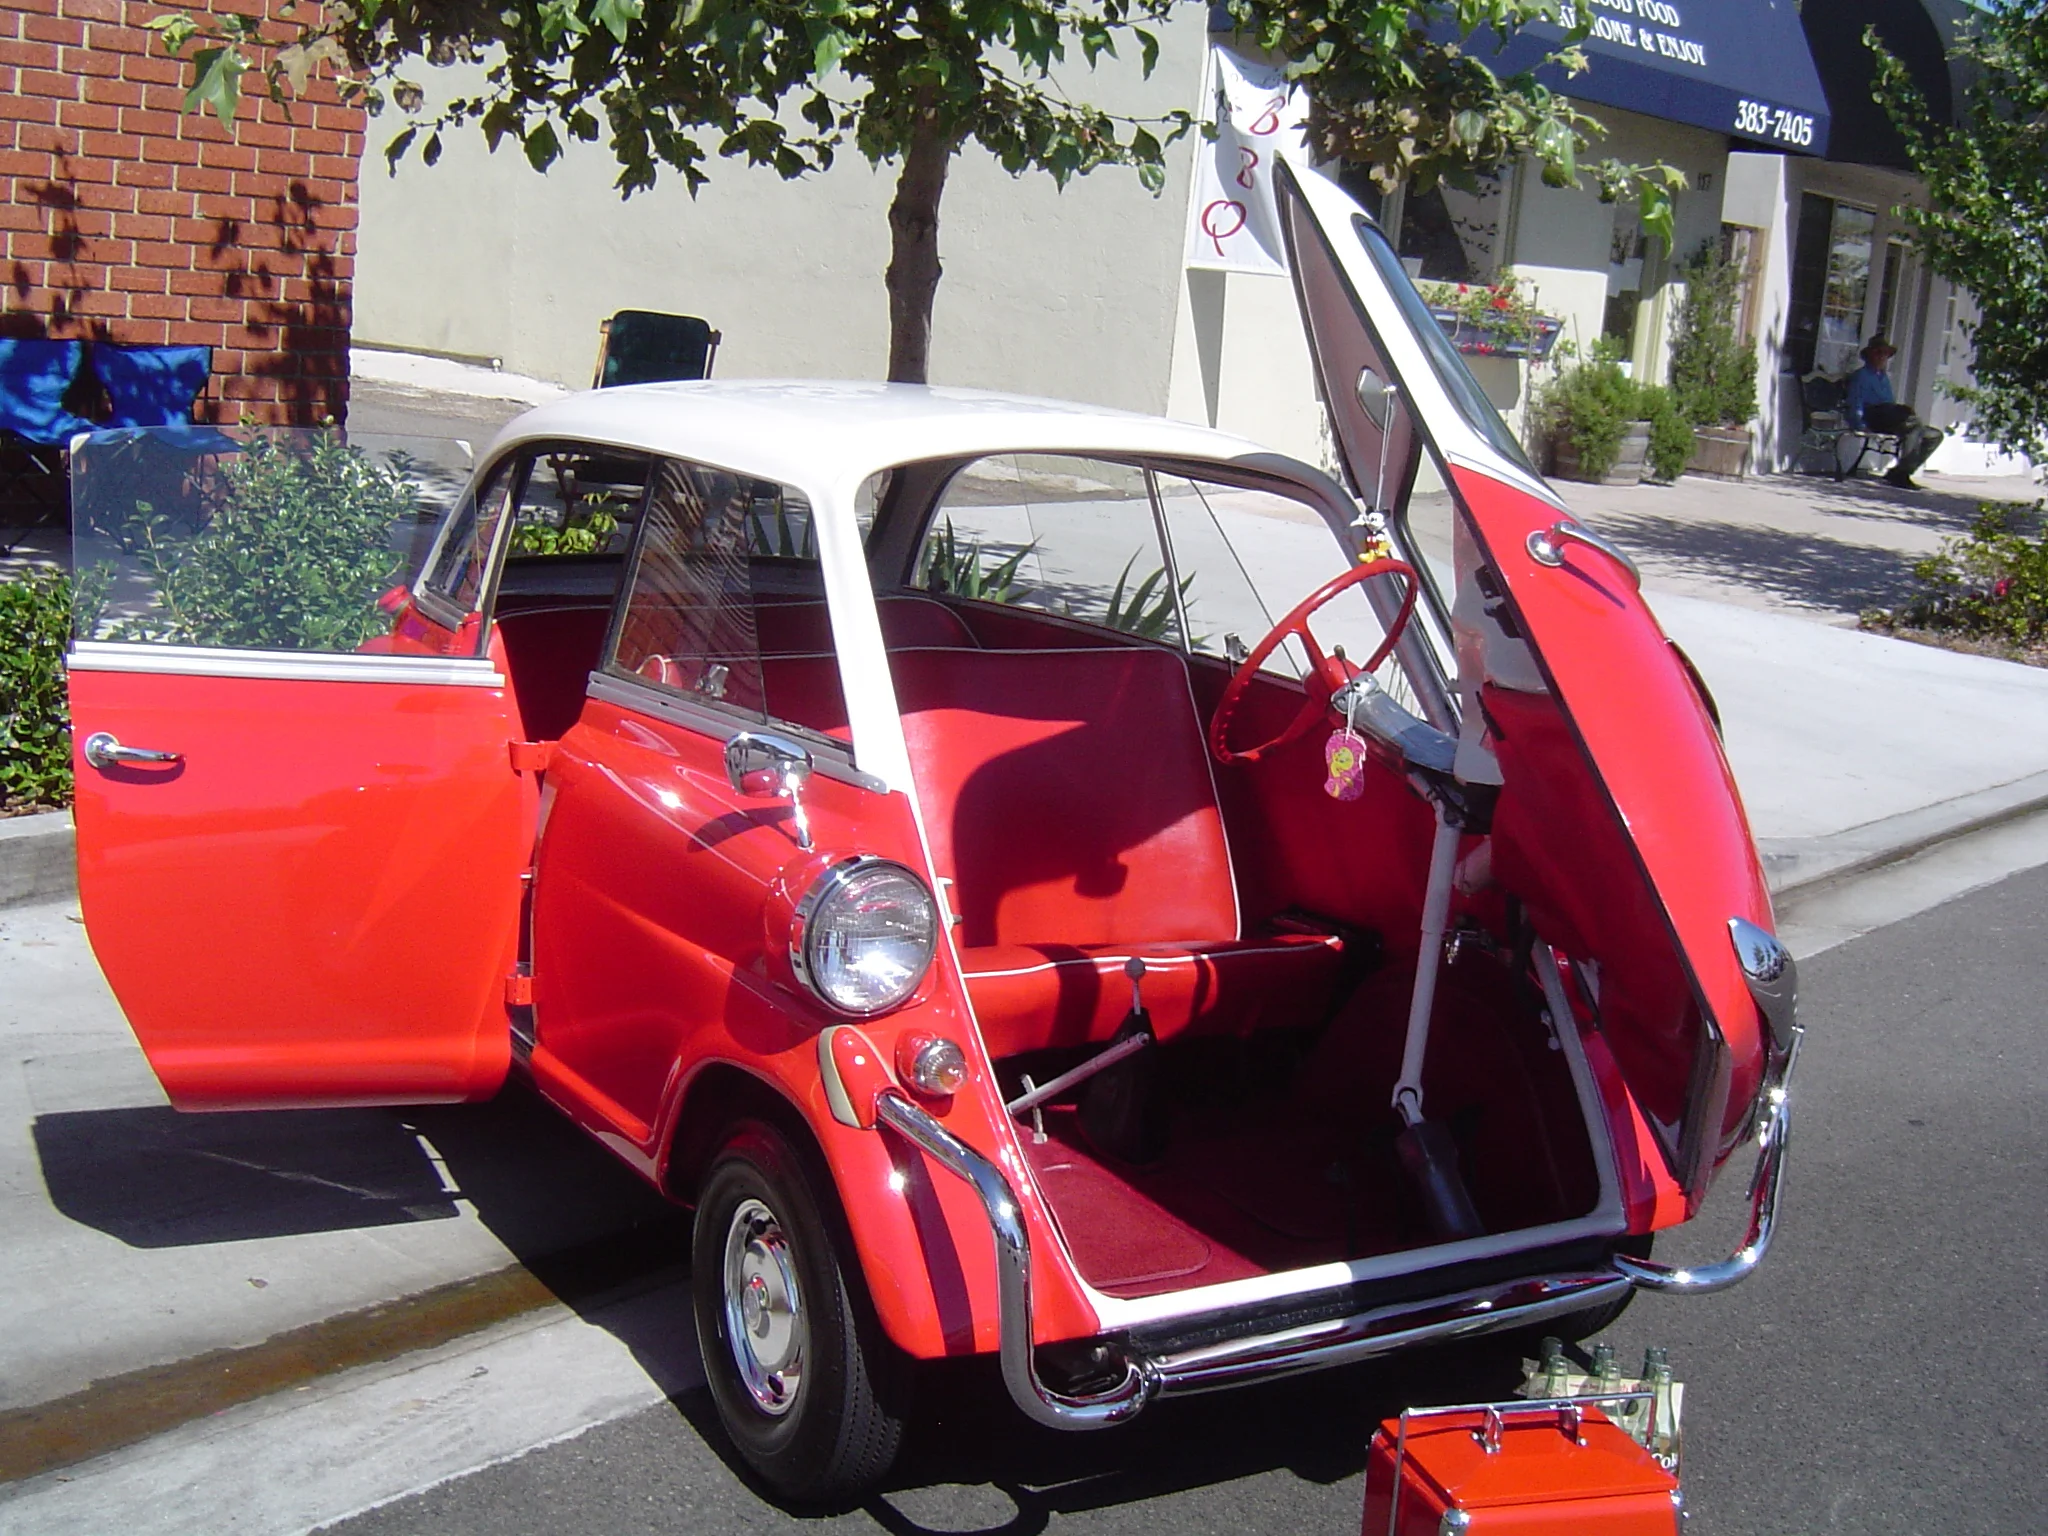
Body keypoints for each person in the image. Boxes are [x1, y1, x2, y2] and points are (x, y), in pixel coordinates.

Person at [1843, 336, 1944, 489]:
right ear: (1869, 355)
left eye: (1885, 354)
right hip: (1874, 416)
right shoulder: (1861, 376)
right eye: (1878, 353)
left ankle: (1901, 471)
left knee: (1933, 435)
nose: (1882, 357)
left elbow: (1890, 402)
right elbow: (1855, 403)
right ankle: (1902, 476)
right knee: (1913, 424)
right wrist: (1860, 424)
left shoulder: (1883, 378)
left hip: (1889, 416)